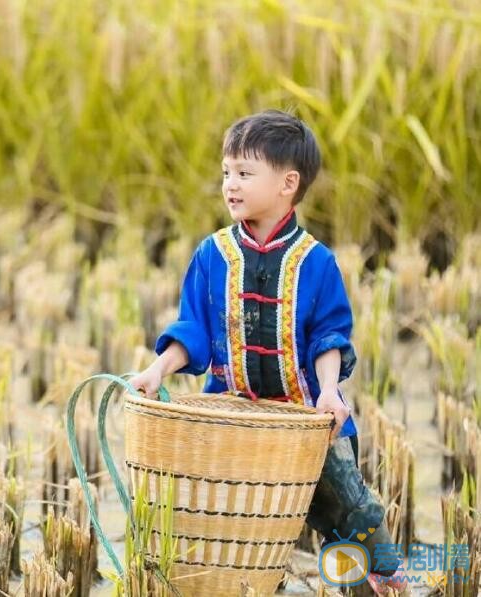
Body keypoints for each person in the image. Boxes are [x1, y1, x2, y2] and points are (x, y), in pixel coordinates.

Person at [129, 109, 405, 594]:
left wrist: (327, 393)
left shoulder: (316, 262)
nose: (230, 185)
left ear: (287, 183)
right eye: (226, 173)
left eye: (244, 173)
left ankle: (382, 580)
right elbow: (192, 327)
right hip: (233, 419)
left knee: (350, 510)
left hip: (307, 416)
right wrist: (157, 370)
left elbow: (328, 337)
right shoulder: (212, 255)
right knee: (240, 538)